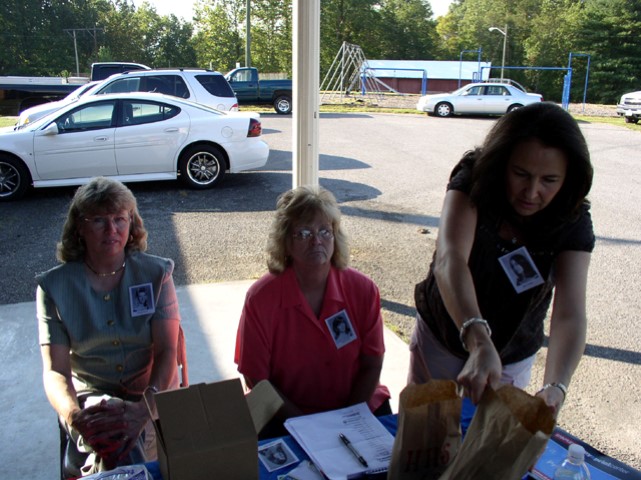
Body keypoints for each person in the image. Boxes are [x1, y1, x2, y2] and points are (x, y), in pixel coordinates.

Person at [410, 102, 595, 417]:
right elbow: (450, 258)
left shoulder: (573, 219)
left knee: (488, 440)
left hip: (512, 354)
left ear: (568, 178)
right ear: (501, 162)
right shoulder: (475, 178)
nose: (531, 192)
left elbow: (570, 313)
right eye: (521, 174)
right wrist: (478, 340)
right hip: (443, 338)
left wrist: (556, 386)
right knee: (425, 431)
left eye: (549, 180)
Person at [37, 177, 182, 477]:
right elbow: (55, 371)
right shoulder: (54, 286)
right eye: (98, 220)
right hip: (89, 400)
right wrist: (75, 416)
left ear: (132, 223)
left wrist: (142, 410)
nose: (112, 229)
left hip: (151, 393)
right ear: (79, 227)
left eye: (120, 219)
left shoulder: (156, 274)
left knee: (118, 441)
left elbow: (167, 352)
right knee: (115, 433)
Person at [234, 185, 391, 437]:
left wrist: (347, 420)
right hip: (286, 413)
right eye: (304, 233)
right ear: (285, 242)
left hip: (357, 406)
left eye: (325, 231)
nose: (316, 241)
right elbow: (257, 379)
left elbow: (372, 363)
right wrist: (307, 428)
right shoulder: (261, 298)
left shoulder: (363, 289)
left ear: (335, 237)